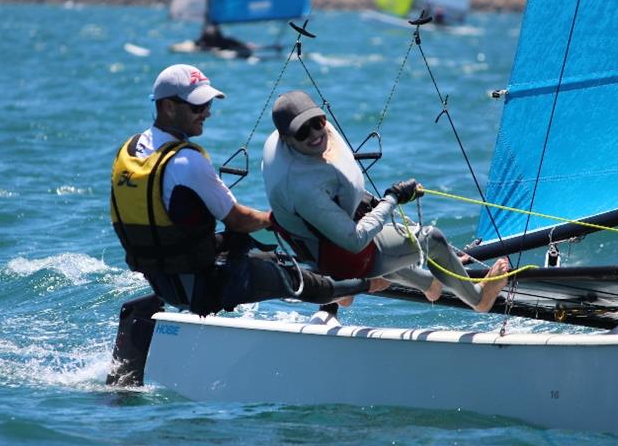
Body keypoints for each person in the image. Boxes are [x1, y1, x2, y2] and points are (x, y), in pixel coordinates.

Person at [110, 65, 388, 317]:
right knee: (295, 280)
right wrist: (283, 217)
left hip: (165, 282)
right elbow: (239, 219)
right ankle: (365, 284)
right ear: (168, 107)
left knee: (263, 250)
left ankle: (321, 277)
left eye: (207, 103)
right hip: (204, 288)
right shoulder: (187, 162)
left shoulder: (131, 151)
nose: (207, 112)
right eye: (198, 106)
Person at [261, 90, 509, 313]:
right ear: (286, 138)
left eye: (317, 122)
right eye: (303, 131)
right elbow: (355, 240)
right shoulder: (302, 186)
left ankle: (430, 284)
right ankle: (479, 299)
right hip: (341, 258)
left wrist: (376, 204)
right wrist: (393, 197)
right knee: (432, 239)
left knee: (393, 241)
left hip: (321, 242)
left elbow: (341, 190)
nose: (315, 133)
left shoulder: (287, 150)